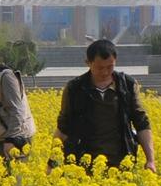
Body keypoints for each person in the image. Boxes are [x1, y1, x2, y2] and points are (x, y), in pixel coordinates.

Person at [53, 38, 155, 173]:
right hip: (82, 163)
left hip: (121, 162)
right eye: (100, 68)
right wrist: (52, 163)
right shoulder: (75, 88)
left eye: (110, 67)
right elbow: (63, 127)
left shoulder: (127, 85)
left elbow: (141, 123)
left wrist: (150, 160)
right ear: (88, 63)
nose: (105, 72)